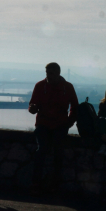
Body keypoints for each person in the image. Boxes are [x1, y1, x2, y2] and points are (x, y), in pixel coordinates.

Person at [28, 62, 78, 191]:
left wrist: (69, 122)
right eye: (47, 73)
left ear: (58, 73)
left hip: (60, 125)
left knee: (58, 152)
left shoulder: (68, 87)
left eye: (51, 73)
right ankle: (36, 182)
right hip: (43, 124)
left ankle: (55, 183)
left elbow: (75, 107)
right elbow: (32, 105)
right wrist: (32, 108)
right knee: (42, 150)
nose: (49, 76)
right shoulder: (39, 86)